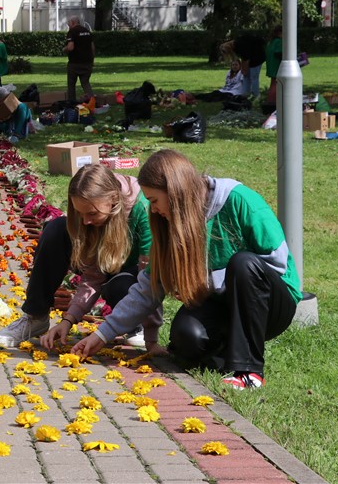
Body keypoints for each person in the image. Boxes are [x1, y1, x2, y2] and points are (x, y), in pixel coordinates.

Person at [73, 150, 301, 390]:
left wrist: (209, 281)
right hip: (223, 303)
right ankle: (224, 356)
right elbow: (147, 288)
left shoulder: (240, 200)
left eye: (154, 200)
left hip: (270, 305)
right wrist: (102, 335)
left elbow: (278, 264)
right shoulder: (168, 223)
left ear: (174, 192)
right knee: (186, 338)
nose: (153, 209)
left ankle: (249, 371)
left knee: (243, 263)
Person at [0, 164, 158, 350]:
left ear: (113, 199)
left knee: (120, 285)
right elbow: (93, 276)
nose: (85, 221)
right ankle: (35, 317)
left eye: (92, 213)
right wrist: (68, 320)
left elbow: (150, 280)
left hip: (133, 275)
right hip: (109, 267)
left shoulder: (142, 209)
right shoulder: (88, 220)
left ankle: (137, 325)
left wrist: (151, 336)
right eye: (80, 213)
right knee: (56, 229)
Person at [221, 32, 266, 100]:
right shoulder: (235, 44)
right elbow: (243, 58)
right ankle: (245, 95)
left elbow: (245, 59)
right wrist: (244, 70)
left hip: (258, 57)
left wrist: (244, 70)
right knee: (246, 76)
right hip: (251, 56)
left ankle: (256, 96)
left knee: (254, 77)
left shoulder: (239, 45)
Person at [64, 17, 95, 101]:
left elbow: (70, 47)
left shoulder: (72, 32)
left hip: (75, 63)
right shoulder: (87, 31)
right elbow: (92, 47)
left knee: (71, 84)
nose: (68, 25)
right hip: (87, 62)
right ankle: (92, 101)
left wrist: (64, 49)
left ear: (73, 22)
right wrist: (92, 60)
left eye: (69, 23)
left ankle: (71, 102)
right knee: (85, 83)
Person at [264, 25, 282, 107]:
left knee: (273, 84)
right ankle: (272, 103)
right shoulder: (279, 42)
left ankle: (270, 101)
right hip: (276, 66)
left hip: (271, 65)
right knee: (275, 85)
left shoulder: (271, 42)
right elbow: (278, 53)